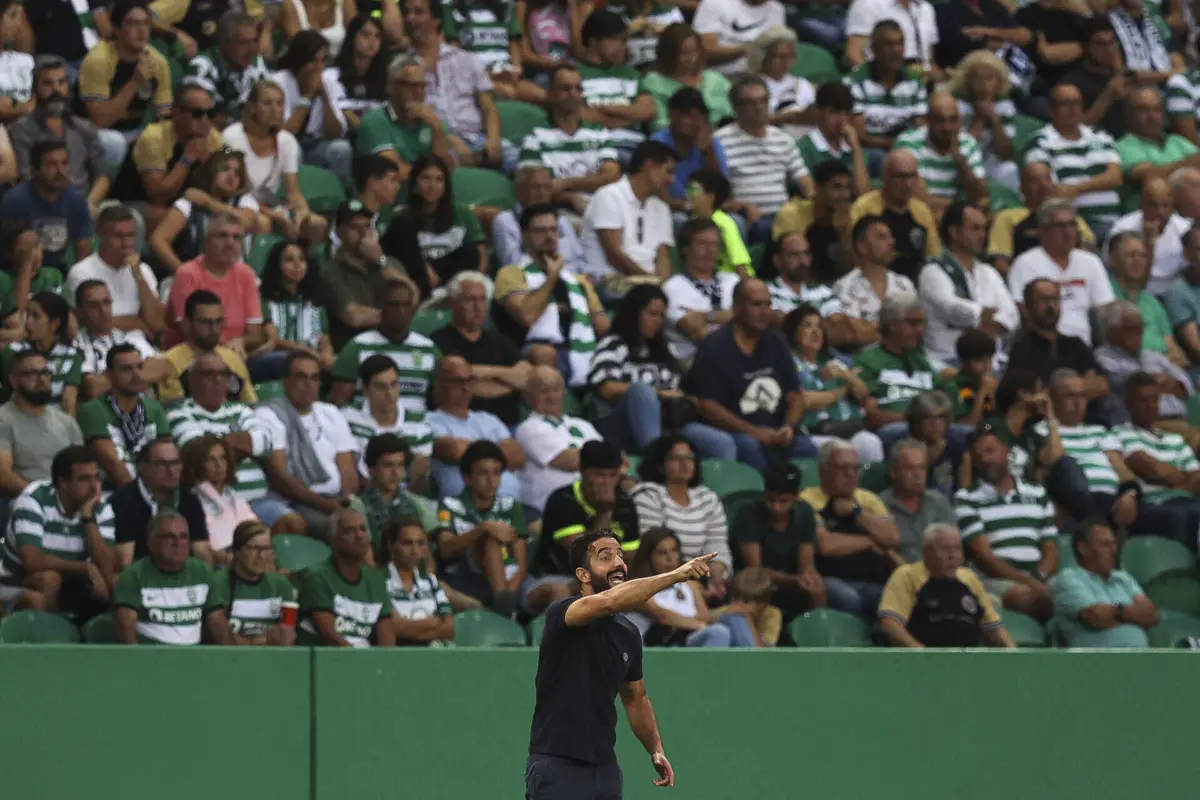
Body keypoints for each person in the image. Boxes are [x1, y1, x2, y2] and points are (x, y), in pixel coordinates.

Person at [526, 530, 710, 798]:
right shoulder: (563, 613)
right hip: (556, 764)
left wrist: (655, 748)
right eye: (605, 556)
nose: (618, 563)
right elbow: (609, 601)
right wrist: (677, 575)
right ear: (583, 575)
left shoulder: (628, 633)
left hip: (605, 770)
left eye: (620, 556)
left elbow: (636, 697)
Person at [587, 284, 735, 460]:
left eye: (661, 316)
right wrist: (660, 394)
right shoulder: (613, 344)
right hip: (620, 424)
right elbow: (607, 388)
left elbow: (680, 389)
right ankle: (655, 462)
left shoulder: (665, 351)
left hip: (667, 424)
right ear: (634, 313)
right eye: (651, 314)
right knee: (641, 391)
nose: (657, 321)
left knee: (722, 443)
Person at [168, 351, 302, 534]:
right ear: (192, 380)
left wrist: (217, 443)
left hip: (257, 500)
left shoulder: (241, 410)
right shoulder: (179, 413)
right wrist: (245, 444)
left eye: (223, 374)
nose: (218, 380)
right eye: (208, 374)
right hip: (212, 504)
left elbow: (266, 442)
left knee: (293, 523)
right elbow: (199, 452)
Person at [690, 279, 816, 470]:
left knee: (808, 450)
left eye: (768, 304)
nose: (765, 312)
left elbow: (795, 395)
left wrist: (788, 427)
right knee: (750, 447)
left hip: (775, 431)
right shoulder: (714, 347)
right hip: (735, 432)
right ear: (736, 307)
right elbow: (708, 406)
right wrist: (755, 432)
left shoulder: (776, 341)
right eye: (756, 304)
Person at [494, 203, 609, 388]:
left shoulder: (578, 280)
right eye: (540, 231)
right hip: (532, 351)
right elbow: (527, 316)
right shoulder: (512, 274)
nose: (549, 237)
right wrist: (552, 277)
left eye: (554, 230)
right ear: (524, 236)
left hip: (580, 349)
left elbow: (603, 325)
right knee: (544, 353)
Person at [955, 422, 1058, 620]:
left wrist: (1039, 577)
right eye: (978, 456)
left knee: (1074, 590)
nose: (986, 459)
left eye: (991, 451)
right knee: (1031, 599)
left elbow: (1051, 547)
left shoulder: (1037, 493)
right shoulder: (966, 499)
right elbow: (985, 557)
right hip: (998, 580)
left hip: (1040, 575)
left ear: (1007, 451)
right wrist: (1027, 581)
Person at [0, 446, 115, 617]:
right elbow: (32, 561)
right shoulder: (34, 499)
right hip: (14, 581)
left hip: (72, 580)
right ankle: (52, 641)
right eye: (84, 479)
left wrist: (88, 519)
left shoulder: (100, 506)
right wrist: (85, 566)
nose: (93, 487)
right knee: (49, 579)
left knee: (117, 582)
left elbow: (107, 567)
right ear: (62, 482)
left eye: (96, 478)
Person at [400, 0, 513, 172]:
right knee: (446, 160)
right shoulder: (403, 68)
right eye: (406, 13)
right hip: (434, 140)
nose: (410, 18)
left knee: (516, 156)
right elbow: (411, 113)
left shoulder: (467, 59)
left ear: (436, 20)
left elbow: (489, 108)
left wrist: (493, 140)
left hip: (476, 138)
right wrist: (448, 139)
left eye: (418, 12)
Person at [257, 353, 358, 541]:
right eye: (301, 377)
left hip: (338, 500)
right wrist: (327, 505)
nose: (309, 384)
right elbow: (280, 477)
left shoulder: (330, 412)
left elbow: (347, 466)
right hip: (300, 502)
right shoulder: (269, 415)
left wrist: (347, 499)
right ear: (285, 382)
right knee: (345, 532)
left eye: (314, 378)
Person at [801, 439, 901, 615]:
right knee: (848, 599)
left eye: (854, 468)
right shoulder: (808, 500)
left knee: (895, 599)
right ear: (823, 472)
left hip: (871, 580)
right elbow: (826, 545)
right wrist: (870, 542)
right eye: (843, 468)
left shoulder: (868, 499)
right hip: (830, 578)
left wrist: (857, 512)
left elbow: (892, 538)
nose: (851, 474)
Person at [221, 80, 326, 244]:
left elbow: (293, 192)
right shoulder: (231, 138)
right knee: (263, 223)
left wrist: (301, 213)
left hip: (272, 205)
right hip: (238, 203)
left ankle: (303, 266)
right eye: (267, 103)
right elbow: (232, 190)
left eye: (279, 104)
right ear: (252, 107)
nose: (275, 110)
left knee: (317, 225)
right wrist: (272, 215)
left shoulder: (287, 141)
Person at [878, 523, 1015, 647]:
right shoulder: (907, 575)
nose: (952, 556)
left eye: (957, 549)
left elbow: (993, 626)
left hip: (967, 662)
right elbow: (890, 624)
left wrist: (1014, 655)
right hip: (923, 662)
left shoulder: (968, 577)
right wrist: (922, 654)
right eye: (945, 549)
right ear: (926, 552)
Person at [435, 439, 531, 615]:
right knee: (489, 538)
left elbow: (521, 565)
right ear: (467, 478)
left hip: (510, 581)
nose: (491, 480)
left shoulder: (511, 506)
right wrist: (482, 529)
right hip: (466, 577)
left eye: (496, 473)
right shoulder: (450, 504)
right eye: (483, 474)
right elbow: (446, 549)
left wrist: (507, 594)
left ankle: (503, 604)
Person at [918, 202, 1019, 365]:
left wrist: (982, 324)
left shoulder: (988, 271)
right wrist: (982, 316)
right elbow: (951, 309)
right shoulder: (934, 270)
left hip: (992, 361)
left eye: (984, 229)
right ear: (954, 232)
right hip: (948, 361)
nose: (983, 235)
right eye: (975, 229)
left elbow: (1011, 314)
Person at [632, 434, 731, 600]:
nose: (685, 464)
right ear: (660, 465)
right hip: (660, 582)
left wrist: (715, 578)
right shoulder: (648, 494)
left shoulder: (707, 498)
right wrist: (693, 584)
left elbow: (717, 544)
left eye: (690, 458)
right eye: (676, 459)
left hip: (699, 578)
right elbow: (656, 548)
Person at [75, 0, 172, 167]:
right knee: (115, 142)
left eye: (146, 24)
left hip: (134, 132)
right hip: (91, 133)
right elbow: (100, 120)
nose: (141, 31)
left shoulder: (158, 61)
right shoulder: (98, 60)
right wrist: (135, 81)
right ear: (116, 29)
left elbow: (164, 115)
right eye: (132, 23)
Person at [9, 55, 112, 211]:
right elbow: (25, 179)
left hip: (84, 204)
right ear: (35, 88)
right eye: (47, 84)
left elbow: (102, 177)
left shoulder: (84, 127)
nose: (56, 90)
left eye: (61, 82)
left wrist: (88, 204)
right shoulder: (21, 129)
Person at [715, 75, 811, 242]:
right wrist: (740, 206)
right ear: (736, 108)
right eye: (751, 103)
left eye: (763, 101)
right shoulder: (720, 142)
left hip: (784, 216)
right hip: (747, 218)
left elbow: (804, 180)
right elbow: (716, 196)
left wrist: (813, 200)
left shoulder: (783, 139)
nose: (759, 108)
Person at [113, 511, 233, 645]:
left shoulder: (202, 572)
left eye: (183, 537)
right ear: (151, 543)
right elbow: (125, 631)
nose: (178, 543)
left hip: (193, 660)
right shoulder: (133, 575)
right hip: (151, 659)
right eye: (169, 537)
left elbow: (218, 624)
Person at [783, 305, 884, 464]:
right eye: (807, 326)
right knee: (838, 451)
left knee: (871, 443)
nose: (816, 332)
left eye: (819, 327)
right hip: (815, 432)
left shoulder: (834, 361)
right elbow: (805, 400)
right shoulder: (788, 363)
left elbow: (863, 395)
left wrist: (846, 376)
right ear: (793, 331)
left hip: (849, 428)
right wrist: (842, 390)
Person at [625, 526, 757, 646]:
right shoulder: (639, 585)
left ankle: (754, 666)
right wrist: (700, 625)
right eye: (662, 553)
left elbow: (704, 617)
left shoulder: (690, 584)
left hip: (691, 636)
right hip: (663, 641)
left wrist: (728, 610)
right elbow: (664, 617)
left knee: (735, 618)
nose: (670, 558)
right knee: (718, 632)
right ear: (649, 558)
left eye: (674, 551)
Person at [1023, 83, 1122, 242]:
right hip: (1071, 223)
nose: (1072, 108)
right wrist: (1098, 182)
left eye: (1076, 103)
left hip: (1111, 221)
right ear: (1051, 110)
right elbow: (1049, 189)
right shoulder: (1040, 141)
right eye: (1065, 103)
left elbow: (1115, 177)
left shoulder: (1100, 135)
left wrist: (1074, 188)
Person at [853, 293, 956, 446]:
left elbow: (946, 404)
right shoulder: (867, 362)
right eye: (913, 323)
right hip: (892, 431)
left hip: (930, 428)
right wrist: (914, 421)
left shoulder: (923, 363)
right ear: (892, 325)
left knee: (971, 434)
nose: (920, 330)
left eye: (922, 324)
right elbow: (871, 417)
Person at [431, 272, 531, 428]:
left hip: (508, 426)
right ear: (453, 303)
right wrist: (509, 382)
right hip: (461, 425)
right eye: (470, 300)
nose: (478, 307)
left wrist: (485, 372)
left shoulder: (500, 340)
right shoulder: (439, 341)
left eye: (482, 299)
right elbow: (463, 388)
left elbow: (527, 377)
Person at [1007, 199, 1115, 343]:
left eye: (1072, 225)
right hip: (1042, 345)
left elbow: (1106, 310)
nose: (1068, 232)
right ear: (1043, 231)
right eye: (1060, 226)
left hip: (1084, 348)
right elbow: (1023, 312)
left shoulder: (1090, 261)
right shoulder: (1024, 264)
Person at [517, 65, 621, 213]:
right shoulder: (535, 136)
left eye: (578, 89)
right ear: (550, 93)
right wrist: (570, 198)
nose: (573, 94)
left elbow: (611, 177)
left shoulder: (599, 132)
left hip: (601, 210)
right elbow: (533, 190)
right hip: (556, 214)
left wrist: (565, 184)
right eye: (566, 89)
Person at [109, 84, 223, 216]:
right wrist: (187, 158)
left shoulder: (214, 138)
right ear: (176, 111)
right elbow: (157, 198)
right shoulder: (154, 138)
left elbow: (230, 159)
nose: (204, 120)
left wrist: (211, 162)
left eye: (210, 114)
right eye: (197, 114)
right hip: (133, 205)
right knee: (172, 218)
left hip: (182, 206)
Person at [148, 147, 268, 273]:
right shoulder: (189, 204)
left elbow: (243, 221)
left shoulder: (245, 201)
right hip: (198, 277)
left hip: (235, 278)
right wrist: (184, 272)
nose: (232, 175)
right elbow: (158, 240)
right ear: (211, 171)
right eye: (225, 169)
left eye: (237, 172)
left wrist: (208, 202)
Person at [731, 463, 826, 619]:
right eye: (771, 500)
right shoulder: (749, 513)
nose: (776, 507)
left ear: (796, 497)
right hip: (754, 582)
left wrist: (810, 579)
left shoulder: (805, 513)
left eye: (783, 501)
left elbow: (806, 563)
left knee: (819, 588)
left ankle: (816, 634)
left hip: (790, 581)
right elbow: (755, 569)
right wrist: (793, 579)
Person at [162, 213, 265, 353]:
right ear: (206, 241)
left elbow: (255, 333)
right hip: (194, 355)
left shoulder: (246, 274)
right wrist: (226, 351)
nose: (230, 243)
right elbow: (188, 332)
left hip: (238, 353)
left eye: (237, 237)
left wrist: (241, 341)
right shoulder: (187, 274)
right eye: (222, 236)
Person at [1114, 371, 1200, 538]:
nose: (1151, 405)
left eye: (1154, 399)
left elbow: (1197, 477)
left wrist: (1172, 482)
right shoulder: (1121, 433)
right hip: (1152, 504)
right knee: (1180, 517)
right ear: (1128, 404)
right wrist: (1182, 477)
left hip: (1185, 501)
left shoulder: (1175, 439)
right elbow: (1148, 466)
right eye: (1143, 400)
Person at [382, 153, 486, 290]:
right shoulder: (401, 216)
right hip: (418, 281)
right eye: (426, 178)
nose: (432, 185)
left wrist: (473, 286)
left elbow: (481, 256)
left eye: (439, 180)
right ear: (415, 183)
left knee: (470, 253)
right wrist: (424, 268)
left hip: (456, 283)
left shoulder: (463, 213)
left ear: (446, 186)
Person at [578, 139, 676, 283]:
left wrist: (662, 282)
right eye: (668, 172)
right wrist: (651, 283)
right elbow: (615, 256)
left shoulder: (661, 207)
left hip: (647, 285)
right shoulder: (609, 196)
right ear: (648, 165)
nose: (671, 180)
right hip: (608, 280)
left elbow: (662, 256)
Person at [426, 356, 524, 499]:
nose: (466, 388)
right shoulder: (427, 422)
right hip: (461, 510)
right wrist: (497, 451)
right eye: (458, 381)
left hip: (508, 507)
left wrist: (471, 452)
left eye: (470, 380)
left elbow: (517, 456)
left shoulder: (489, 419)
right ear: (439, 383)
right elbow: (454, 451)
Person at [297, 507, 397, 647]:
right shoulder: (317, 577)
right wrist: (362, 664)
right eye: (349, 531)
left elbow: (387, 640)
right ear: (333, 540)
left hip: (367, 663)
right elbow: (329, 637)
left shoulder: (376, 579)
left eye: (363, 529)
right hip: (327, 662)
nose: (359, 535)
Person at [76, 344, 170, 491]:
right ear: (109, 375)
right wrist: (140, 500)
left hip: (154, 490)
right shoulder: (92, 410)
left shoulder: (155, 408)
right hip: (110, 492)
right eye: (126, 369)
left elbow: (166, 458)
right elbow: (112, 464)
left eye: (139, 367)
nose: (137, 375)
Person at [1053, 519, 1158, 648]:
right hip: (1097, 663)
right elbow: (1095, 617)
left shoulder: (1123, 578)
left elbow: (1151, 616)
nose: (1113, 550)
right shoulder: (1069, 578)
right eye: (1105, 544)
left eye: (1114, 544)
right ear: (1083, 548)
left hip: (1140, 660)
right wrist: (1131, 615)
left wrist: (1116, 613)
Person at [514, 365, 603, 513]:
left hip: (589, 505)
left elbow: (612, 458)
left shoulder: (582, 424)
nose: (552, 396)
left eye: (556, 389)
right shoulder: (529, 428)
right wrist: (602, 457)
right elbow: (569, 461)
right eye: (544, 390)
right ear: (528, 397)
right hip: (546, 509)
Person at [110, 437, 210, 567]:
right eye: (162, 464)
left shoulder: (189, 499)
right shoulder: (123, 501)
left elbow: (202, 553)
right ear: (142, 468)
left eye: (175, 463)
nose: (171, 470)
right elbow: (124, 562)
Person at [66, 205, 163, 336]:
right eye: (118, 236)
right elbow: (92, 322)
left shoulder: (143, 270)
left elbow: (158, 324)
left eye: (130, 236)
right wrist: (139, 322)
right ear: (100, 235)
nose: (126, 243)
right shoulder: (81, 272)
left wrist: (139, 277)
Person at [845, 22, 928, 173]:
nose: (896, 50)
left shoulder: (914, 81)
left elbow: (920, 128)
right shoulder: (855, 82)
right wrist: (896, 144)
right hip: (871, 151)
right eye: (888, 45)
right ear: (874, 49)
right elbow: (861, 136)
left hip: (907, 149)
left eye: (900, 44)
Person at [1007, 279, 1111, 399]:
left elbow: (1103, 385)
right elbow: (1028, 395)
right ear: (1028, 306)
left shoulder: (1075, 344)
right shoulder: (1020, 347)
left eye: (1055, 299)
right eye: (1044, 300)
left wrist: (1062, 392)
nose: (1051, 306)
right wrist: (1084, 385)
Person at [847, 151, 940, 284]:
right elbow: (854, 256)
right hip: (873, 282)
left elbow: (933, 256)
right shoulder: (863, 207)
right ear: (885, 177)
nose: (907, 184)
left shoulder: (922, 210)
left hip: (916, 285)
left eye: (912, 176)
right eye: (900, 177)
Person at [987, 163, 1097, 274]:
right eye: (1034, 181)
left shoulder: (1070, 217)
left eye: (1047, 179)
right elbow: (1000, 262)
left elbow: (1086, 252)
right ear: (1022, 189)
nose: (1043, 185)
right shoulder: (1007, 217)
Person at [0, 140, 93, 272]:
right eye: (51, 165)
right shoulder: (15, 201)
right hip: (19, 272)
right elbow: (6, 254)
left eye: (64, 163)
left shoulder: (76, 200)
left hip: (59, 272)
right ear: (35, 170)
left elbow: (83, 248)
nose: (60, 171)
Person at [0, 352, 83, 498]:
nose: (41, 379)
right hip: (21, 501)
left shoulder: (66, 421)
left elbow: (82, 468)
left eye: (45, 372)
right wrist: (44, 499)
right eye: (31, 374)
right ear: (14, 380)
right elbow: (4, 476)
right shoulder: (3, 418)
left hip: (68, 501)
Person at [272, 31, 353, 182]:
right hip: (283, 147)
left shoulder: (328, 82)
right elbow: (285, 133)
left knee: (342, 149)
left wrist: (325, 98)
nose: (319, 67)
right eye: (313, 61)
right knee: (292, 149)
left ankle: (339, 199)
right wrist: (307, 96)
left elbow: (336, 133)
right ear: (299, 62)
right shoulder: (278, 82)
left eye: (323, 61)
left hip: (315, 145)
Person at [574, 10, 655, 160]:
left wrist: (604, 109)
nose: (621, 46)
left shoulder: (631, 74)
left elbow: (647, 110)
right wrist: (628, 116)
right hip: (591, 147)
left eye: (623, 40)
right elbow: (579, 115)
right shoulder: (574, 74)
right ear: (593, 42)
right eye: (613, 39)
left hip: (633, 146)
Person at [355, 57, 452, 181]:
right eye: (411, 85)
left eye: (422, 86)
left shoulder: (432, 121)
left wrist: (437, 128)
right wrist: (430, 178)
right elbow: (395, 172)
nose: (418, 91)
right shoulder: (374, 121)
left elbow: (446, 171)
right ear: (391, 86)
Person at [342, 354, 434, 484]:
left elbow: (418, 486)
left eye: (394, 384)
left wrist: (419, 476)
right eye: (381, 387)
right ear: (365, 389)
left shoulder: (420, 426)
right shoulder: (346, 418)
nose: (389, 393)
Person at [895, 91, 988, 217]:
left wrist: (961, 162)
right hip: (921, 215)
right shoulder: (909, 143)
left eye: (953, 119)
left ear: (960, 120)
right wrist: (963, 206)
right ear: (928, 120)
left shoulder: (968, 144)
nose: (947, 127)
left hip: (960, 217)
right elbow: (918, 199)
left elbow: (981, 196)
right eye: (940, 120)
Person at [158, 290, 257, 405]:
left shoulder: (232, 358)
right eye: (205, 322)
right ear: (187, 323)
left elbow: (250, 404)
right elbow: (174, 408)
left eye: (218, 322)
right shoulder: (170, 362)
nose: (214, 329)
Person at [773, 161, 860, 292]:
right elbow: (790, 264)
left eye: (847, 188)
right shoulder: (792, 213)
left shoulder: (850, 216)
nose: (844, 195)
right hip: (804, 288)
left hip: (842, 287)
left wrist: (843, 233)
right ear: (817, 188)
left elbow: (857, 272)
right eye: (837, 187)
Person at [257, 241, 336, 378]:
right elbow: (274, 340)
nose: (297, 265)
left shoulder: (315, 300)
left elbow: (324, 338)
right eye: (289, 260)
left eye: (302, 259)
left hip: (312, 355)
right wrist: (305, 351)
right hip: (278, 357)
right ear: (277, 265)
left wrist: (326, 353)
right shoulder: (264, 300)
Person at [662, 218, 737, 361]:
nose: (710, 251)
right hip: (695, 360)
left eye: (714, 245)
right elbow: (694, 330)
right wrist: (731, 316)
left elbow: (755, 316)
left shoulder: (732, 281)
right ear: (685, 249)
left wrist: (705, 316)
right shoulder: (673, 287)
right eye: (702, 244)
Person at [74, 281, 165, 398]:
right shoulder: (76, 344)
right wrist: (141, 377)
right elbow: (93, 387)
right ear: (80, 311)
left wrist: (114, 378)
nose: (103, 310)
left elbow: (163, 367)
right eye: (94, 305)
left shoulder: (131, 337)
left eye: (106, 302)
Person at [768, 230, 857, 348]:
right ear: (777, 260)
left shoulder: (824, 292)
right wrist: (823, 325)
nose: (802, 261)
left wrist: (804, 326)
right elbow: (783, 326)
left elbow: (839, 328)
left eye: (806, 254)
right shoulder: (767, 292)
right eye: (794, 255)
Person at [490, 165, 586, 275]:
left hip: (571, 282)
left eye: (547, 188)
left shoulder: (561, 220)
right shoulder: (506, 220)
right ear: (519, 190)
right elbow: (513, 266)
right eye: (536, 187)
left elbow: (580, 261)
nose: (543, 193)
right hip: (530, 284)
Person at [1116, 87, 1200, 210]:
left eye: (1157, 110)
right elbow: (1149, 176)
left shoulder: (1177, 141)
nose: (1152, 116)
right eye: (1143, 110)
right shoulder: (1123, 146)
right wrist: (1190, 162)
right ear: (1129, 114)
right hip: (1149, 219)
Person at [1106, 176, 1191, 297]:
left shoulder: (1184, 229)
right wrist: (1149, 244)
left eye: (1165, 205)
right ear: (1141, 205)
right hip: (1133, 292)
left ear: (1173, 207)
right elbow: (1117, 271)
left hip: (1173, 294)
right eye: (1153, 205)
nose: (1160, 212)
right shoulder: (1122, 228)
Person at [0, 292, 82, 415]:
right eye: (27, 314)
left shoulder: (70, 355)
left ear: (55, 324)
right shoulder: (11, 352)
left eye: (36, 316)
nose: (28, 322)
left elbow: (69, 403)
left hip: (55, 424)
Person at [1107, 234, 1186, 361]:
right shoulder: (1105, 297)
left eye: (1142, 256)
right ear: (1112, 259)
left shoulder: (1151, 301)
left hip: (1165, 365)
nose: (1138, 261)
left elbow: (1172, 346)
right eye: (1131, 255)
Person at [950, 50, 1019, 192]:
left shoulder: (1005, 108)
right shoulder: (957, 107)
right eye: (977, 79)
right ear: (967, 81)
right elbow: (963, 150)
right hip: (964, 166)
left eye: (989, 78)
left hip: (993, 164)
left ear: (999, 82)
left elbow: (1006, 153)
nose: (983, 84)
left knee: (1010, 169)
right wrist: (980, 119)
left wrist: (994, 120)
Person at [184, 10, 272, 123]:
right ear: (224, 44)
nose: (252, 50)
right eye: (243, 43)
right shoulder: (202, 66)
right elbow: (200, 119)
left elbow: (269, 105)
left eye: (254, 41)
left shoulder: (256, 62)